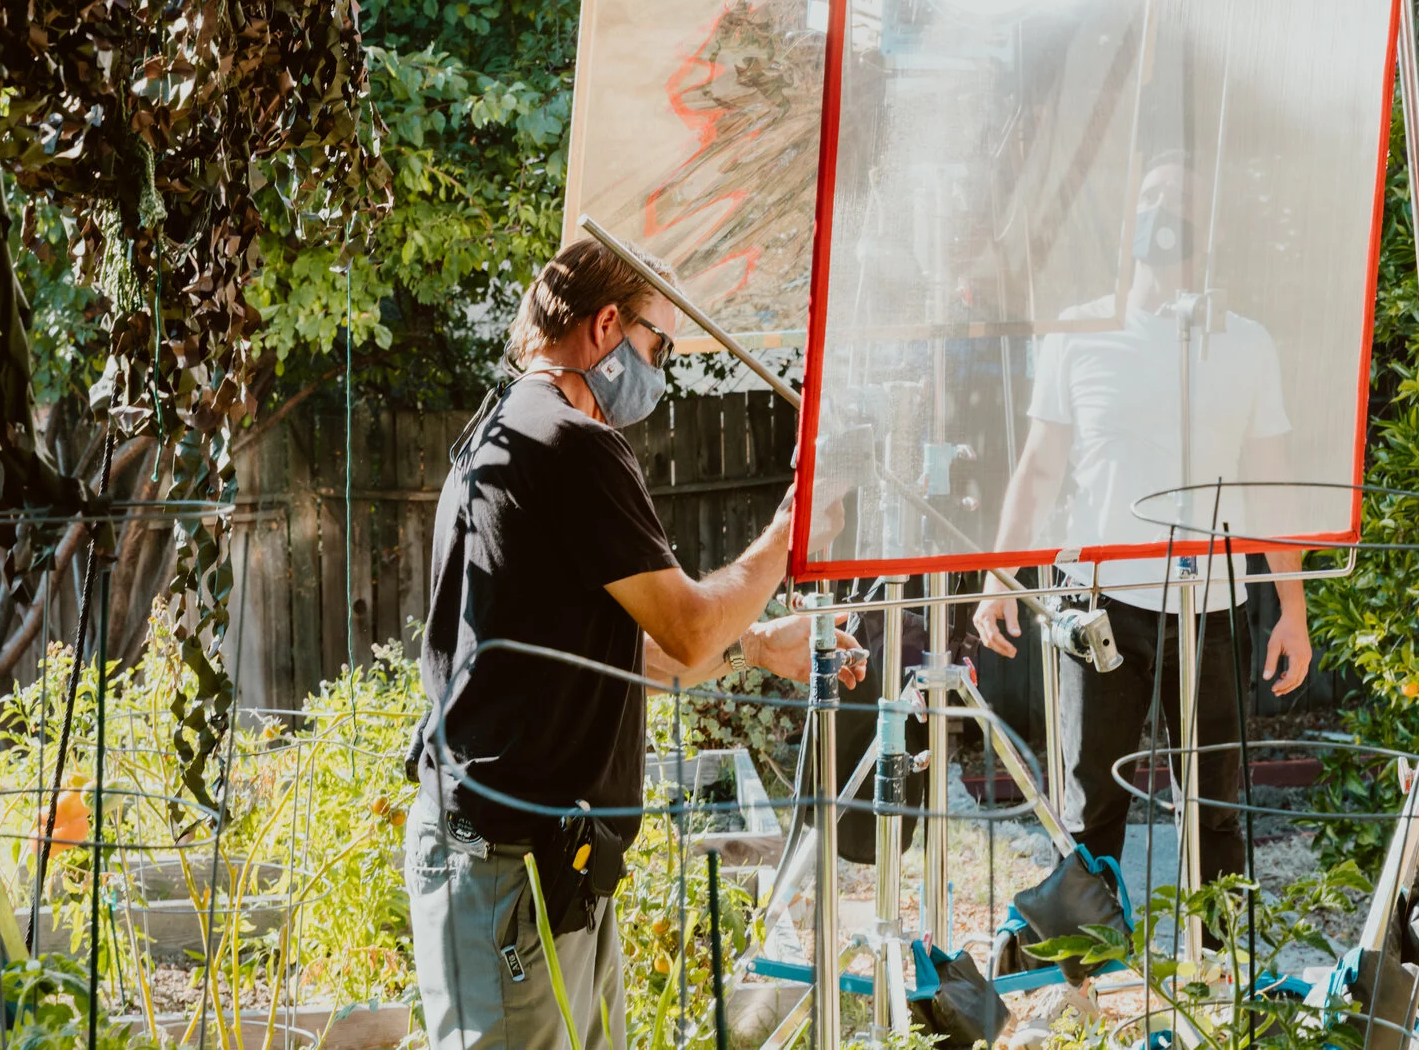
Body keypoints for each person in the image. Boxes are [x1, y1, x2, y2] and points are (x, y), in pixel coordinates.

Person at [407, 237, 860, 1050]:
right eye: (658, 344)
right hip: (514, 866)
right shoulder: (570, 443)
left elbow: (612, 647)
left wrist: (758, 646)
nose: (662, 367)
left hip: (549, 866)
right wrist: (790, 534)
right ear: (608, 323)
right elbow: (686, 627)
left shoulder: (505, 433)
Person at [972, 155, 1311, 890]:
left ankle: (1219, 973)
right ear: (1131, 218)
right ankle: (1082, 975)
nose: (1162, 211)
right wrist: (999, 576)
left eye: (1180, 201)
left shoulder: (1246, 343)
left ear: (1204, 231)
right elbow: (1037, 469)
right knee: (1090, 805)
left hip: (1211, 609)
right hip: (1099, 606)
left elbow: (1274, 483)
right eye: (1151, 196)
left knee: (1215, 805)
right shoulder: (1079, 333)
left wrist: (1293, 608)